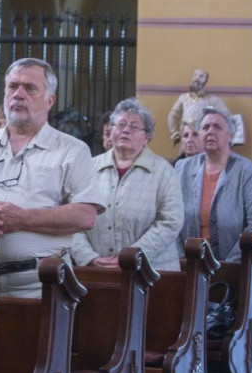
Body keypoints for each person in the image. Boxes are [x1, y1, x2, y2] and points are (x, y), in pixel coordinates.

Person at [0, 57, 106, 298]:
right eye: (12, 86)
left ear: (50, 100)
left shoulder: (72, 150)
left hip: (40, 287)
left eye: (29, 88)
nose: (18, 94)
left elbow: (85, 216)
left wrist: (21, 219)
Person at [71, 98, 184, 271]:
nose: (125, 130)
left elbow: (171, 221)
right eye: (120, 124)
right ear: (111, 131)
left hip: (151, 273)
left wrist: (131, 256)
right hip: (97, 271)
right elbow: (73, 219)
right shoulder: (89, 168)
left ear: (146, 137)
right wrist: (88, 257)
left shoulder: (164, 172)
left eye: (134, 126)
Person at [175, 107, 252, 290]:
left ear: (230, 135)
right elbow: (171, 216)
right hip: (190, 268)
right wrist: (181, 258)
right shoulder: (183, 168)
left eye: (217, 127)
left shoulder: (247, 171)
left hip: (240, 269)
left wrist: (228, 265)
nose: (210, 131)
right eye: (205, 127)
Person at [167, 69, 230, 145]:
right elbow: (173, 116)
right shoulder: (183, 98)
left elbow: (226, 117)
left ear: (205, 80)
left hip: (203, 137)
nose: (197, 78)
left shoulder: (213, 100)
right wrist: (175, 132)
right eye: (195, 75)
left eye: (201, 76)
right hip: (186, 137)